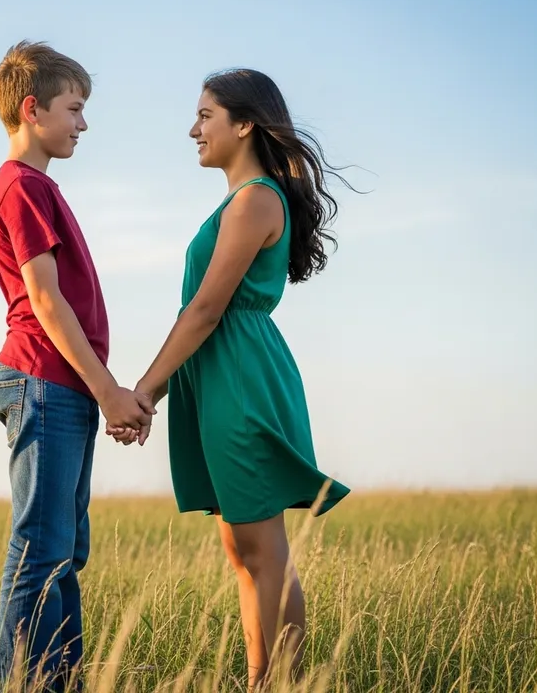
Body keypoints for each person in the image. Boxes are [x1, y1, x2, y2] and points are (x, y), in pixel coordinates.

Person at [108, 68, 351, 688]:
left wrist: (141, 391)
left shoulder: (256, 200)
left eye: (205, 116)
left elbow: (206, 309)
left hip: (238, 376)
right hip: (217, 375)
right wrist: (155, 393)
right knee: (242, 552)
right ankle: (259, 681)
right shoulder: (242, 199)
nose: (193, 129)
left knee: (263, 550)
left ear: (244, 124)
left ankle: (284, 685)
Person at [0, 40, 155, 691]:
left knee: (62, 554)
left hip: (59, 386)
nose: (83, 124)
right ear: (33, 110)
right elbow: (45, 300)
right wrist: (108, 391)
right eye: (74, 108)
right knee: (39, 551)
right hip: (44, 381)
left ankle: (61, 683)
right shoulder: (23, 187)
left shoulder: (36, 188)